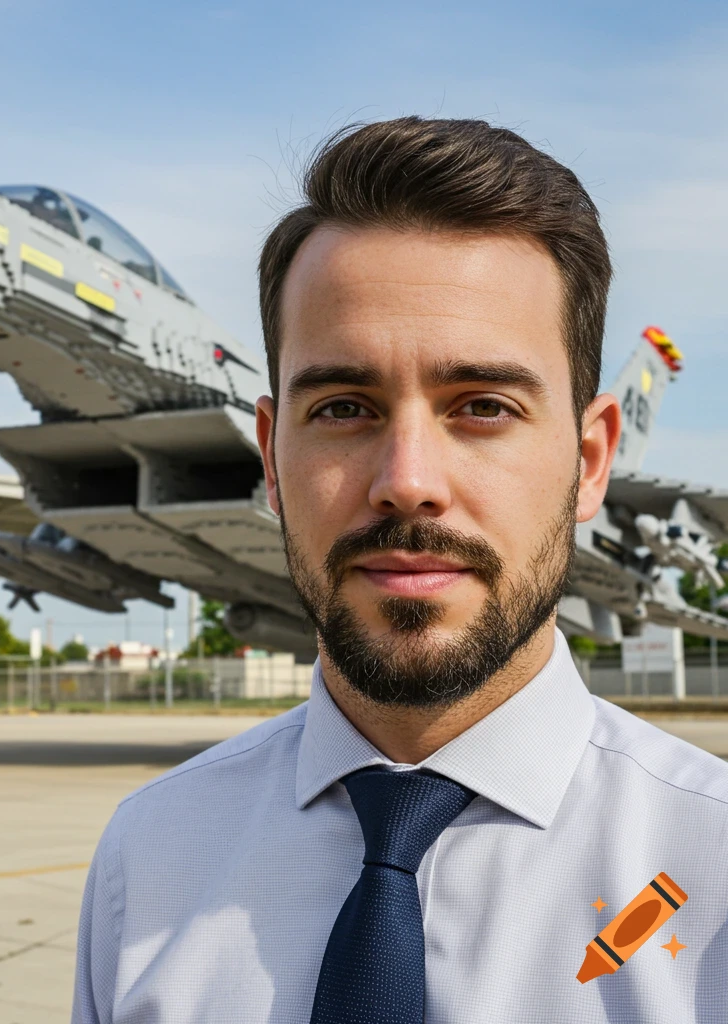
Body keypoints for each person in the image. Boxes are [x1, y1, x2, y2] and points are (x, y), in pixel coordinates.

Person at [71, 118, 728, 1023]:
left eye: (484, 407)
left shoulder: (714, 866)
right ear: (270, 456)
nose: (407, 483)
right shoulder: (146, 859)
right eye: (344, 407)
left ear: (592, 460)